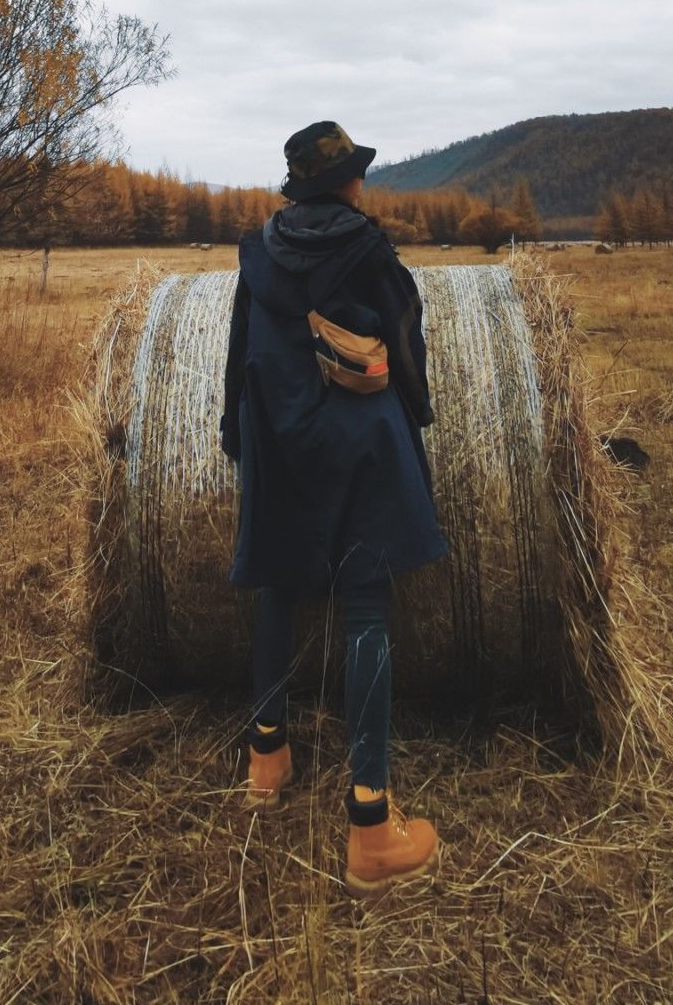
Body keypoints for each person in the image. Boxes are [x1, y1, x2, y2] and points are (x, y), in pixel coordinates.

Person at [220, 120, 447, 895]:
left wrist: (234, 433)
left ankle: (267, 758)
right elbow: (406, 340)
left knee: (278, 579)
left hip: (277, 431)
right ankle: (372, 826)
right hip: (356, 434)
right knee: (364, 607)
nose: (362, 181)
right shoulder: (365, 246)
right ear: (342, 181)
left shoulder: (260, 247)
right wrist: (418, 414)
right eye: (355, 171)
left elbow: (238, 345)